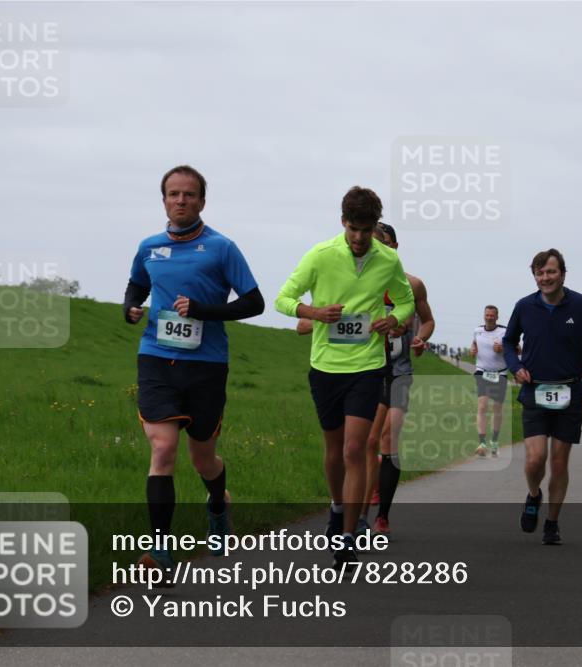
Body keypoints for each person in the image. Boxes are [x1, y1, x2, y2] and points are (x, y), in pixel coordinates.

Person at [124, 165, 265, 579]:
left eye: (189, 194)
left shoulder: (222, 248)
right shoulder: (149, 247)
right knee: (163, 450)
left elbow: (254, 303)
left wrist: (204, 311)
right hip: (156, 358)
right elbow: (136, 285)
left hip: (205, 365)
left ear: (202, 201)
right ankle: (160, 552)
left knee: (203, 459)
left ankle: (218, 506)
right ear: (164, 200)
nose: (180, 201)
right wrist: (131, 308)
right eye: (173, 194)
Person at [275, 186, 414, 566]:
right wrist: (314, 313)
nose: (358, 238)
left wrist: (394, 319)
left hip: (367, 367)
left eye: (366, 231)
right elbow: (283, 299)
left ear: (374, 229)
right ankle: (337, 507)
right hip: (325, 367)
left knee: (356, 449)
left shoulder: (387, 260)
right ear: (342, 223)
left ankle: (348, 536)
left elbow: (405, 301)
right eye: (353, 229)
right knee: (334, 451)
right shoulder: (320, 256)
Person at [503, 249, 582, 545]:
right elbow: (509, 341)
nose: (545, 278)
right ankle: (534, 494)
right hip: (534, 389)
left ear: (563, 274)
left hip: (569, 391)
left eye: (551, 272)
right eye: (539, 273)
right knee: (535, 459)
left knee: (560, 462)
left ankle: (552, 523)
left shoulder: (581, 305)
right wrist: (516, 367)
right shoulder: (524, 306)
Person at [366, 223, 434, 538]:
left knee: (388, 439)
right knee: (364, 444)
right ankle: (361, 506)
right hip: (365, 369)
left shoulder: (413, 285)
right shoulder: (361, 285)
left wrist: (420, 337)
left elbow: (428, 320)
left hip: (399, 371)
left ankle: (382, 516)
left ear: (394, 246)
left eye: (383, 243)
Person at [472, 305, 510, 458]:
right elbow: (474, 343)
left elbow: (517, 349)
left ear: (497, 317)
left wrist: (503, 349)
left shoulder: (504, 332)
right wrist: (472, 349)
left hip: (500, 373)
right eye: (487, 315)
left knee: (497, 408)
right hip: (482, 371)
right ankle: (481, 442)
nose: (489, 318)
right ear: (484, 316)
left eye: (492, 315)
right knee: (482, 405)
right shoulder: (477, 330)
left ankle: (494, 440)